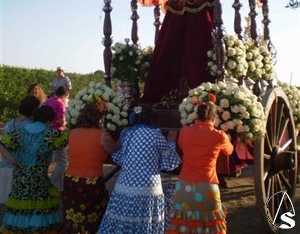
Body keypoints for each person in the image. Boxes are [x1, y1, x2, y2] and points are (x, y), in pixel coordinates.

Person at [98, 104, 181, 234]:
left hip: (124, 185)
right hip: (149, 187)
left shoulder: (126, 133)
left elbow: (118, 155)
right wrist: (171, 140)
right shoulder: (155, 134)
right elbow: (171, 161)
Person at [166, 96, 234, 234]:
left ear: (196, 115)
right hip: (207, 188)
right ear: (214, 118)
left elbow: (181, 145)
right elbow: (229, 151)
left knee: (183, 227)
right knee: (210, 228)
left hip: (184, 187)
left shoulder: (185, 131)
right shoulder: (219, 136)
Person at [0, 104, 68, 234]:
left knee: (21, 210)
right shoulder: (50, 133)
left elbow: (3, 144)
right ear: (49, 120)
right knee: (39, 210)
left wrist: (13, 161)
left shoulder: (20, 132)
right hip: (39, 179)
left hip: (21, 177)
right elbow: (65, 140)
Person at [59, 103, 116, 234]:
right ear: (98, 118)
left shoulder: (72, 133)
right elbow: (112, 149)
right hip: (91, 181)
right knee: (91, 216)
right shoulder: (102, 135)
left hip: (71, 179)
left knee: (73, 215)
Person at [0, 95, 43, 204]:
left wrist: (12, 161)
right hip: (26, 171)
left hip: (6, 168)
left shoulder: (9, 124)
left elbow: (3, 147)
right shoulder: (34, 127)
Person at [45, 86, 69, 191]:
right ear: (64, 95)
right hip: (57, 133)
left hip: (46, 131)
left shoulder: (48, 101)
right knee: (62, 161)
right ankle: (53, 184)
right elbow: (61, 122)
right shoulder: (60, 104)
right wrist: (67, 123)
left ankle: (52, 184)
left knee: (48, 159)